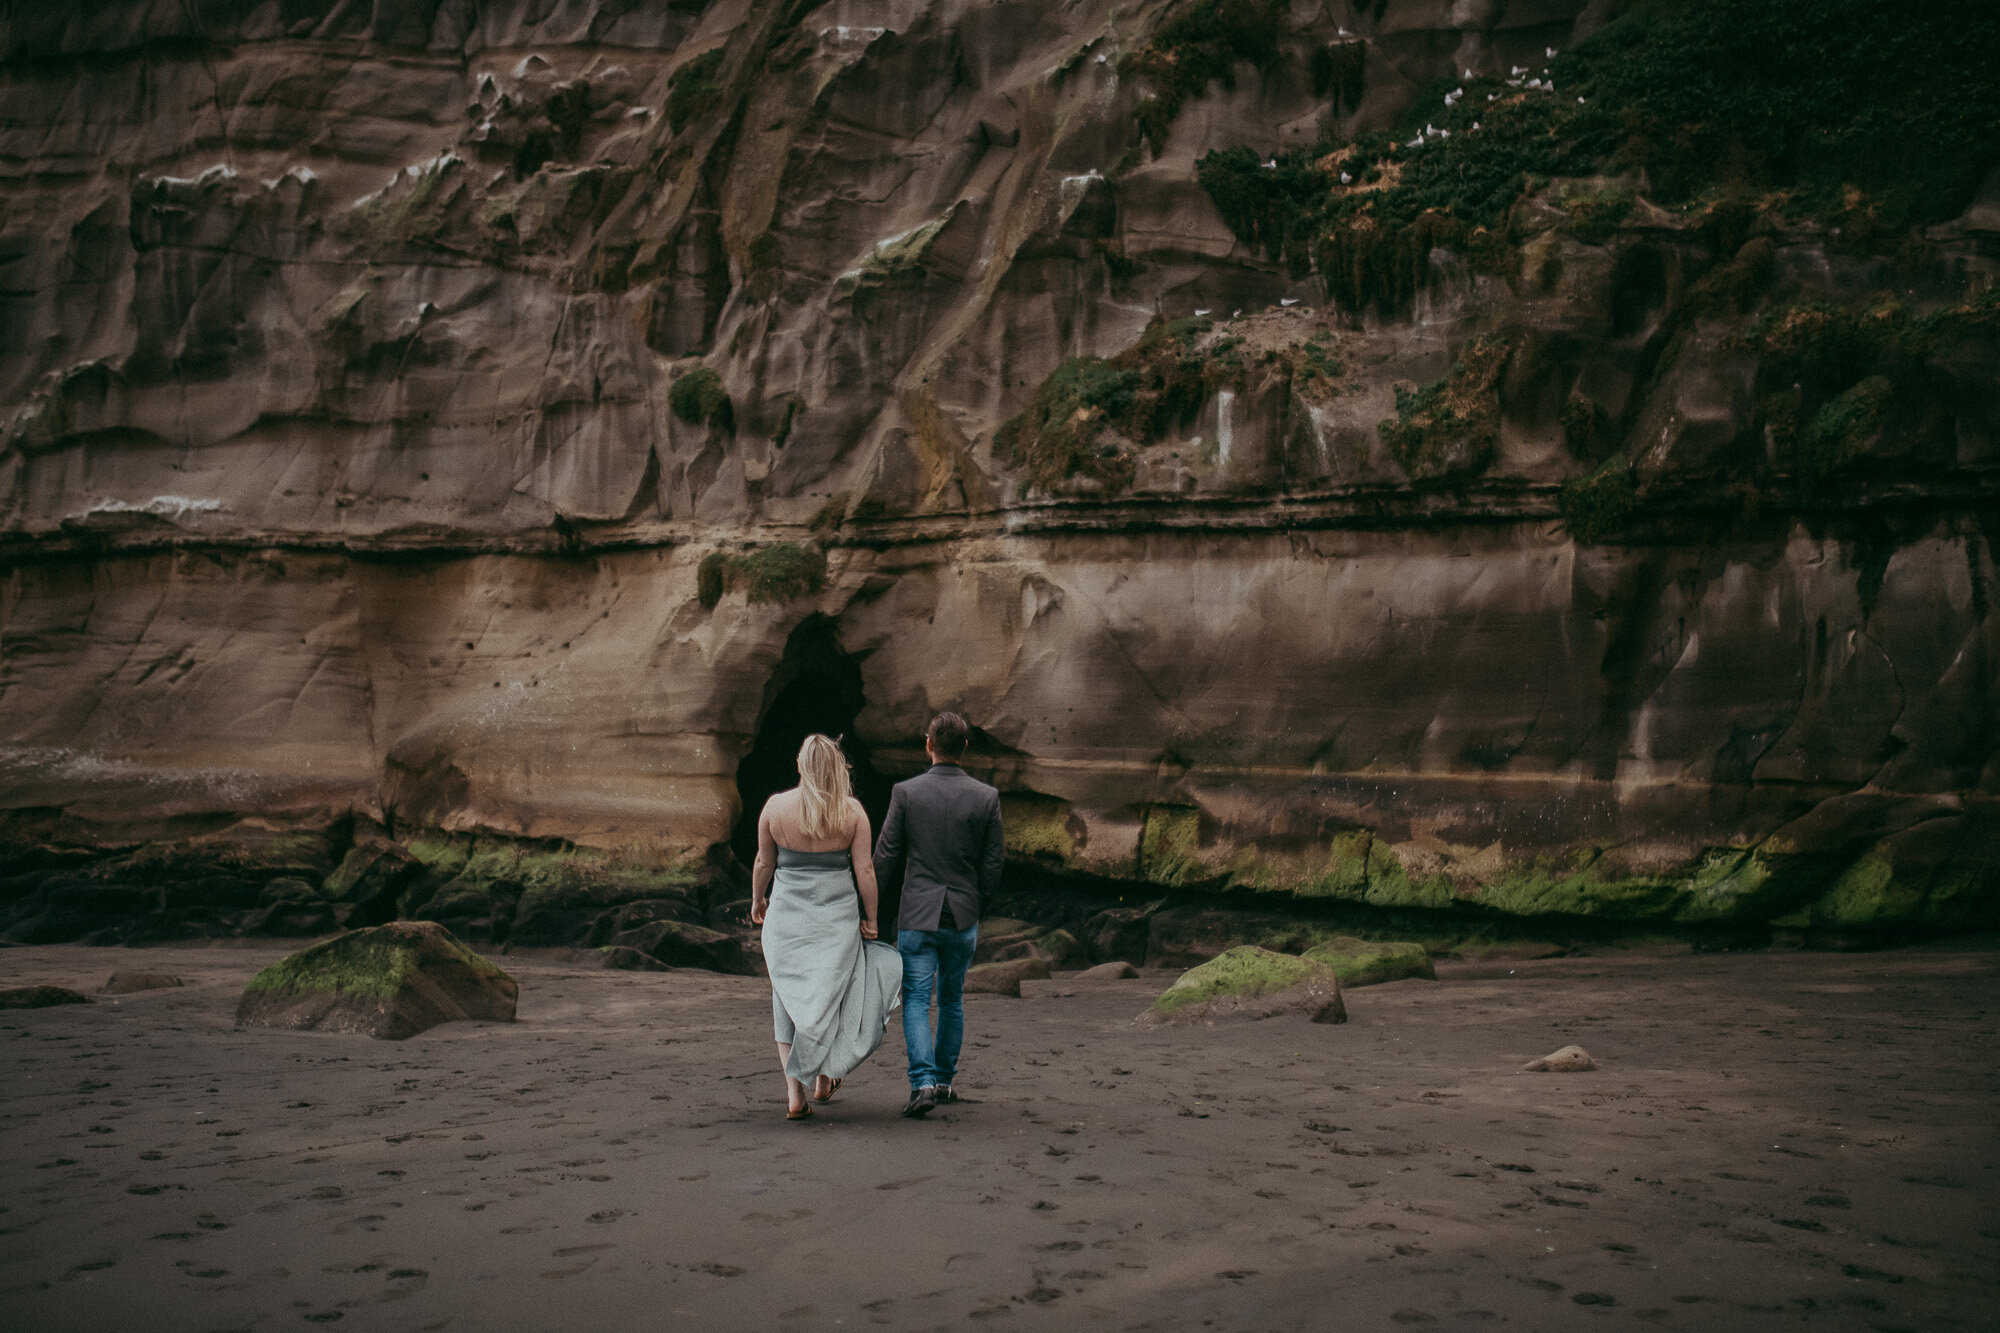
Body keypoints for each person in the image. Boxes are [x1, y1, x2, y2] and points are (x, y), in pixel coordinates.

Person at [750, 734, 902, 1121]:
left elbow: (764, 864)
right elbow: (864, 870)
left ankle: (794, 1094)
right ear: (838, 768)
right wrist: (872, 918)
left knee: (788, 996)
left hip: (787, 917)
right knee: (830, 996)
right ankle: (823, 1077)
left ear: (801, 766)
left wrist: (758, 900)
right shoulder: (851, 812)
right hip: (835, 919)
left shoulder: (775, 807)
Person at [873, 712, 1004, 1119]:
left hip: (917, 915)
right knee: (951, 999)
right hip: (963, 915)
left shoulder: (905, 792)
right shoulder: (987, 796)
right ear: (965, 747)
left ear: (928, 744)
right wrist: (979, 902)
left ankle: (923, 1083)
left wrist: (871, 907)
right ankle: (945, 1082)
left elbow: (886, 856)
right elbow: (994, 861)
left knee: (914, 998)